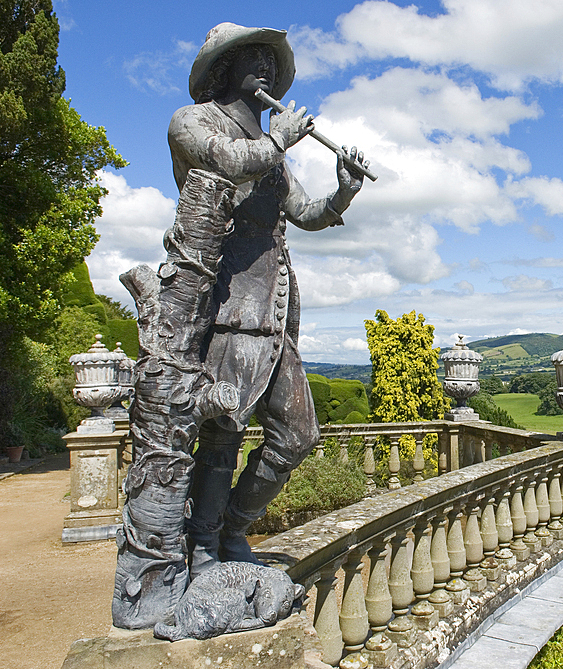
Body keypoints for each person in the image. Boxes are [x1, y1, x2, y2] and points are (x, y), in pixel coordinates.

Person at [166, 22, 367, 576]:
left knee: (299, 434)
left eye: (272, 62)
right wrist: (278, 140)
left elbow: (306, 214)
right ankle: (205, 544)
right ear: (224, 68)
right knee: (223, 432)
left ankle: (231, 527)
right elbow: (225, 163)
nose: (267, 69)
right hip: (227, 302)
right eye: (253, 58)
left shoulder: (273, 153)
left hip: (275, 313)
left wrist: (344, 185)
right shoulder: (194, 121)